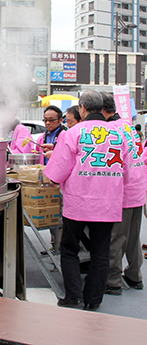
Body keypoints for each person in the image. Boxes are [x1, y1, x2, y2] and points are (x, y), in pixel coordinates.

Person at [45, 90, 129, 311]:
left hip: (78, 203)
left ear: (82, 108)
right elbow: (127, 171)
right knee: (100, 252)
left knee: (70, 249)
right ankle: (94, 300)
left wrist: (51, 178)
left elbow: (56, 173)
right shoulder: (119, 133)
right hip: (108, 203)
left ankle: (73, 296)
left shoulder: (74, 133)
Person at [100, 93, 146, 296]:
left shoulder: (110, 130)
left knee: (116, 238)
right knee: (132, 237)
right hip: (138, 189)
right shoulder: (128, 126)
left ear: (102, 110)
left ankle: (113, 280)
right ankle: (135, 276)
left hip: (123, 192)